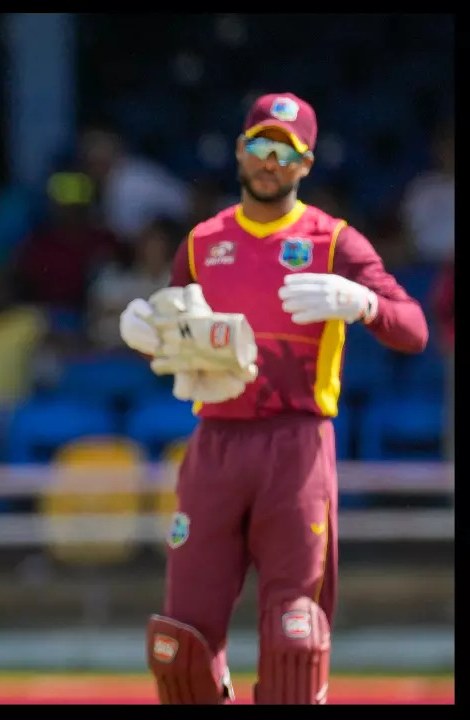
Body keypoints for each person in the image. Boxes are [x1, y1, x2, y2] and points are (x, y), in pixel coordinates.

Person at [118, 93, 429, 704]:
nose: (269, 162)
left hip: (296, 446)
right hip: (215, 446)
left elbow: (414, 328)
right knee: (179, 647)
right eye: (259, 146)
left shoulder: (335, 241)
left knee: (295, 640)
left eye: (285, 152)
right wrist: (145, 330)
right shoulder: (202, 243)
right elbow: (176, 330)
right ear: (240, 151)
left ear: (306, 163)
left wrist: (361, 303)